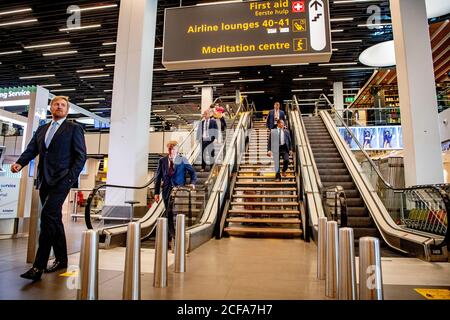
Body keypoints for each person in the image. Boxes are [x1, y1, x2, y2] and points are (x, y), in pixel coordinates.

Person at [12, 96, 87, 281]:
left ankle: (38, 267)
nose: (59, 107)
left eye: (63, 105)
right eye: (56, 104)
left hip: (62, 180)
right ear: (51, 107)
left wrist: (70, 178)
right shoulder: (42, 129)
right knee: (54, 219)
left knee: (46, 217)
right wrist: (19, 163)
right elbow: (31, 150)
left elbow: (81, 156)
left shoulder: (74, 128)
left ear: (67, 110)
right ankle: (61, 260)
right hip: (44, 180)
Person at [154, 141, 197, 243]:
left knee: (178, 212)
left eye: (173, 149)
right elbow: (158, 177)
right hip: (166, 190)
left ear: (177, 149)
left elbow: (193, 172)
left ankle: (178, 233)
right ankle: (172, 235)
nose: (171, 151)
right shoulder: (162, 160)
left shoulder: (183, 160)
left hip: (179, 190)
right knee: (168, 212)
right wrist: (156, 193)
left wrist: (193, 183)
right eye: (169, 149)